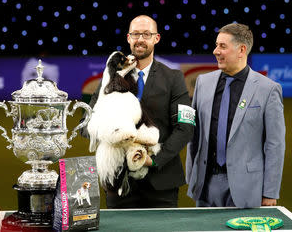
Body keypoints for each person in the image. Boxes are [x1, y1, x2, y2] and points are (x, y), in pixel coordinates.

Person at [86, 14, 194, 208]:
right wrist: (113, 136)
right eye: (135, 34)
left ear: (156, 38)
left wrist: (153, 161)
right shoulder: (111, 78)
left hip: (162, 183)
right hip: (119, 182)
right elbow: (87, 123)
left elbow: (185, 128)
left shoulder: (174, 78)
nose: (140, 39)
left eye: (146, 34)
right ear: (128, 38)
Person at [185, 23, 285, 208]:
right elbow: (194, 135)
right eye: (216, 45)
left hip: (247, 188)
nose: (216, 51)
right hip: (205, 186)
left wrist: (270, 192)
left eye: (222, 46)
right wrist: (192, 178)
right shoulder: (203, 83)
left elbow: (275, 145)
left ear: (241, 50)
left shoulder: (268, 89)